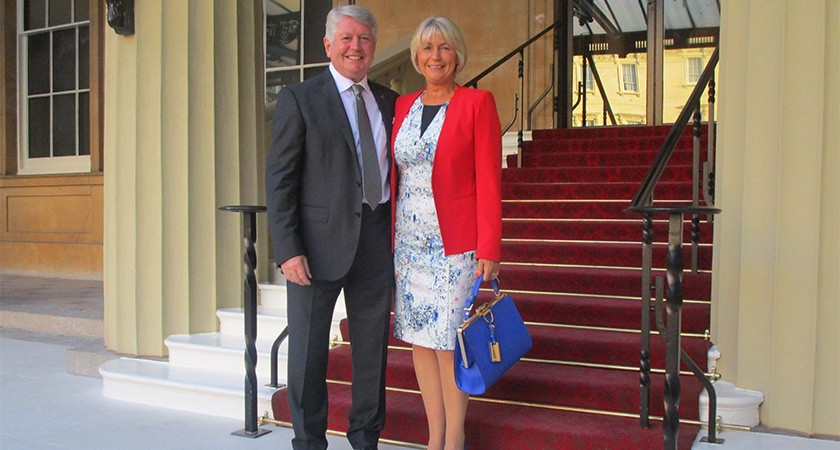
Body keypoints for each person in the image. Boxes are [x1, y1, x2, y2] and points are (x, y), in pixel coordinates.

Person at [265, 5, 398, 450]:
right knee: (306, 355)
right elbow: (280, 179)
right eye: (346, 38)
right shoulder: (300, 98)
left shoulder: (389, 101)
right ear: (327, 44)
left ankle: (365, 440)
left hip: (376, 246)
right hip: (314, 251)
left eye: (363, 39)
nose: (355, 47)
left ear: (373, 47)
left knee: (371, 357)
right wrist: (287, 249)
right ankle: (308, 443)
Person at [390, 16, 502, 450]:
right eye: (426, 48)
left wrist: (489, 247)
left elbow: (490, 180)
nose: (434, 56)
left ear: (457, 56)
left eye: (444, 48)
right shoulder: (404, 107)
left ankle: (454, 436)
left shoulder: (477, 103)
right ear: (416, 56)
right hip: (409, 246)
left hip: (456, 246)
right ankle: (433, 434)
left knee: (449, 342)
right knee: (420, 339)